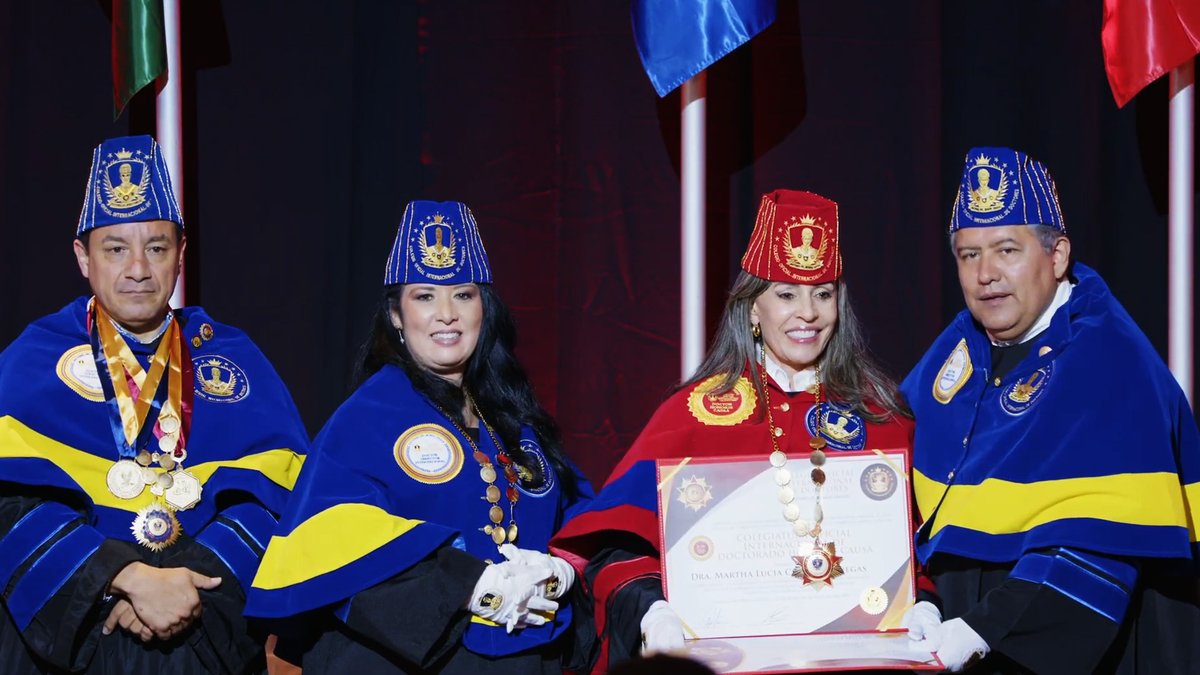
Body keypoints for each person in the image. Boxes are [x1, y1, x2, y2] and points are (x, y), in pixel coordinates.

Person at [550, 189, 915, 673]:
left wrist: (925, 601)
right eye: (786, 294)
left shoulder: (882, 413)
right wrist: (653, 610)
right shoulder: (691, 414)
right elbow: (617, 550)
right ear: (752, 309)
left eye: (822, 293)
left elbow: (922, 548)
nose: (807, 312)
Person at [0, 134, 309, 674]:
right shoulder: (35, 356)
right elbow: (9, 502)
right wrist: (121, 578)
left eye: (157, 247)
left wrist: (187, 587)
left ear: (181, 254)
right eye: (115, 248)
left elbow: (277, 497)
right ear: (82, 257)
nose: (138, 268)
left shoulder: (233, 356)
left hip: (205, 628)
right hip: (72, 632)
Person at [244, 200, 595, 674]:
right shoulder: (369, 418)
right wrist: (469, 586)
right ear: (395, 314)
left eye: (464, 295)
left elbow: (580, 514)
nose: (446, 314)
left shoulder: (511, 413)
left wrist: (561, 568)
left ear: (484, 308)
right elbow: (327, 535)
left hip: (524, 658)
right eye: (425, 296)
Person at [898, 146, 1200, 674]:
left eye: (1006, 250)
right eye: (969, 255)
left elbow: (1102, 548)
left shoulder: (1113, 364)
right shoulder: (957, 349)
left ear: (1057, 257)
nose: (985, 273)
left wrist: (983, 629)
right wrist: (918, 593)